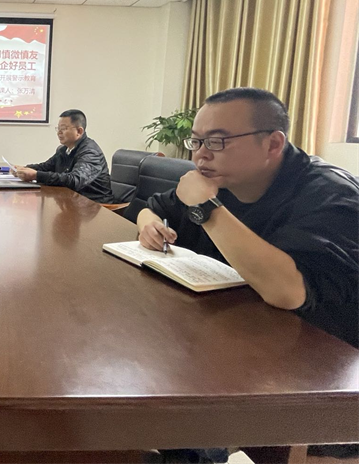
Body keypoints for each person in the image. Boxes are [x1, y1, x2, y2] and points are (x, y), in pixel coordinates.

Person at [137, 91, 359, 463]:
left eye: (217, 142)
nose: (201, 155)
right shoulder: (222, 180)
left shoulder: (331, 195)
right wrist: (149, 223)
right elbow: (152, 207)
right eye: (197, 141)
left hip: (323, 376)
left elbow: (289, 291)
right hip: (242, 339)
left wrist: (206, 208)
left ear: (272, 144)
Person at [13, 109, 114, 203]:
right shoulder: (64, 150)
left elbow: (75, 180)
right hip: (73, 201)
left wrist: (36, 175)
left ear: (79, 131)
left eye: (63, 129)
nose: (59, 133)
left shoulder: (90, 152)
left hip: (95, 206)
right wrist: (23, 169)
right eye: (58, 128)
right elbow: (46, 167)